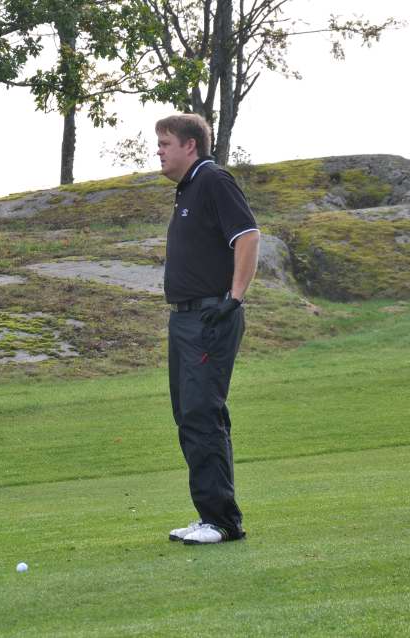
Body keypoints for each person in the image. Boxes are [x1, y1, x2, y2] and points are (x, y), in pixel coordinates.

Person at [156, 114, 260, 545]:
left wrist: (233, 298)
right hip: (184, 319)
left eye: (165, 143)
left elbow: (248, 237)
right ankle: (209, 515)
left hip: (209, 317)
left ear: (190, 146)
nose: (159, 151)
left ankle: (222, 522)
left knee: (202, 413)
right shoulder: (187, 188)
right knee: (189, 415)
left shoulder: (214, 180)